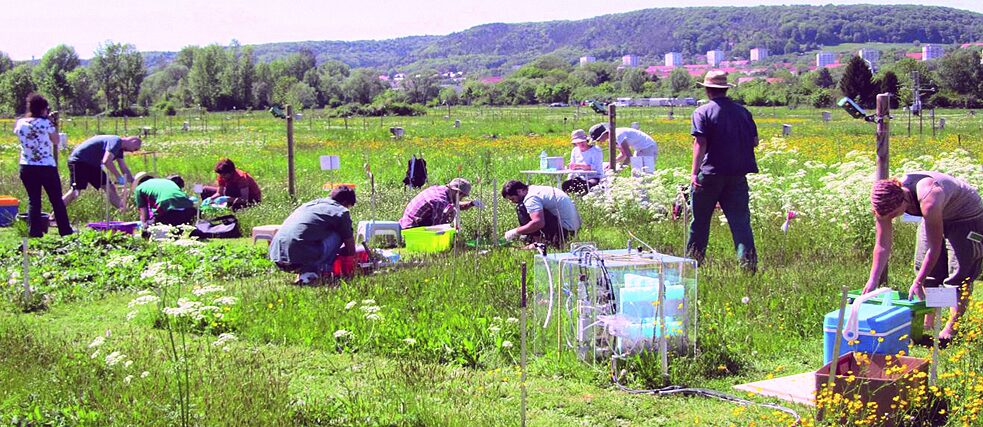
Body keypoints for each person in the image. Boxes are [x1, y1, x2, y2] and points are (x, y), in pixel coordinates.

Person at [864, 172, 983, 344]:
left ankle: (951, 328)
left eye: (894, 214)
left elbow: (934, 249)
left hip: (965, 216)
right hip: (935, 215)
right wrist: (872, 280)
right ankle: (928, 323)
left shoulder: (929, 197)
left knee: (957, 274)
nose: (891, 219)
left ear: (904, 201)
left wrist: (917, 281)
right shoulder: (883, 203)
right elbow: (882, 245)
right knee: (929, 273)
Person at [686, 70, 759, 271]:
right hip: (737, 175)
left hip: (709, 174)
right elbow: (754, 142)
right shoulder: (743, 112)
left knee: (700, 222)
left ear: (708, 90)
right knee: (740, 222)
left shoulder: (702, 112)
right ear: (725, 89)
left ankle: (694, 264)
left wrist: (693, 173)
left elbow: (700, 143)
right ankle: (748, 266)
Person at [269, 187, 358, 285]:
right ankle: (319, 272)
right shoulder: (340, 211)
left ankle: (305, 273)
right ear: (345, 203)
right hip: (298, 256)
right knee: (339, 234)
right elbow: (350, 249)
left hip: (278, 255)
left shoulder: (308, 205)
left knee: (309, 238)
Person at [14, 93, 72, 237]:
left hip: (26, 166)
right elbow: (56, 140)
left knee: (34, 200)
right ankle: (65, 230)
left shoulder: (21, 123)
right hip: (46, 166)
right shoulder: (46, 124)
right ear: (43, 109)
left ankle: (34, 232)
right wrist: (52, 123)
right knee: (56, 200)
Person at [62, 135, 142, 208]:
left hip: (93, 165)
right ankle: (54, 215)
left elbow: (123, 166)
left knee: (109, 187)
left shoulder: (119, 149)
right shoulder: (116, 141)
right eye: (135, 149)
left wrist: (132, 181)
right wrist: (118, 176)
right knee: (75, 191)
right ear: (133, 142)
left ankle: (123, 210)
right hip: (79, 162)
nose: (133, 152)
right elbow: (106, 161)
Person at [501, 180, 580, 247]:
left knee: (521, 207)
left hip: (565, 231)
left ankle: (539, 243)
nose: (512, 202)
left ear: (519, 191)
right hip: (573, 229)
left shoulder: (531, 198)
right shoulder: (534, 189)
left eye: (512, 199)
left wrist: (516, 231)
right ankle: (536, 239)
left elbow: (538, 222)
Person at [399, 178, 476, 229]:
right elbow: (438, 228)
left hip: (406, 222)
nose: (461, 199)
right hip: (411, 229)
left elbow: (452, 203)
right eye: (463, 196)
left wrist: (471, 204)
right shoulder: (440, 202)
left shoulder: (440, 189)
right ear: (458, 192)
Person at [132, 173, 197, 228]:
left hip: (168, 212)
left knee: (151, 226)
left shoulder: (139, 188)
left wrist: (145, 225)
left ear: (138, 183)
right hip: (189, 209)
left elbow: (144, 214)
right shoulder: (166, 181)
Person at [587, 123, 658, 167]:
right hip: (639, 149)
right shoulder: (611, 139)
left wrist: (621, 167)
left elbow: (629, 155)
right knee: (636, 174)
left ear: (604, 134)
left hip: (648, 147)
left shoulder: (618, 135)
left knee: (645, 173)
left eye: (598, 139)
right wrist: (611, 163)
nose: (599, 142)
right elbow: (623, 153)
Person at [562, 129, 604, 195]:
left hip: (594, 177)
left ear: (586, 140)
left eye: (582, 141)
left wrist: (578, 165)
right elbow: (572, 166)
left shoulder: (596, 150)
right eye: (578, 142)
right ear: (575, 143)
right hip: (579, 177)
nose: (581, 144)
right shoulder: (575, 150)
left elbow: (594, 167)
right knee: (565, 185)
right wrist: (569, 175)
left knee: (585, 186)